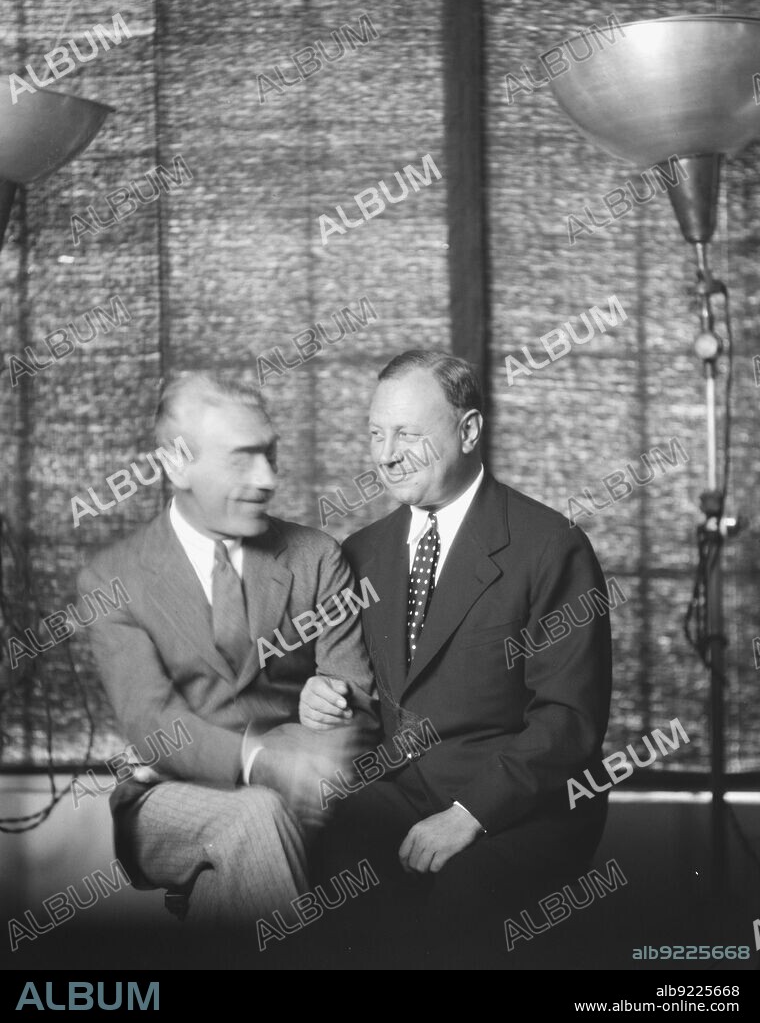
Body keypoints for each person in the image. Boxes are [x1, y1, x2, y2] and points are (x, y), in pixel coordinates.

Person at [301, 349, 613, 967]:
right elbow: (361, 693)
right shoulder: (359, 554)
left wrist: (469, 816)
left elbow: (569, 721)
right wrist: (319, 697)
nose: (386, 454)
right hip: (401, 792)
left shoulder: (551, 547)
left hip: (520, 805)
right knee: (316, 865)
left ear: (469, 431)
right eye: (375, 434)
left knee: (455, 918)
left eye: (408, 434)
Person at [77, 371, 378, 954]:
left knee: (241, 855)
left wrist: (307, 741)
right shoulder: (112, 580)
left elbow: (356, 712)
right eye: (243, 459)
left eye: (271, 454)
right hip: (160, 804)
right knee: (256, 814)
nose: (268, 479)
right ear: (176, 464)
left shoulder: (317, 559)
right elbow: (153, 724)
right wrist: (266, 759)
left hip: (294, 801)